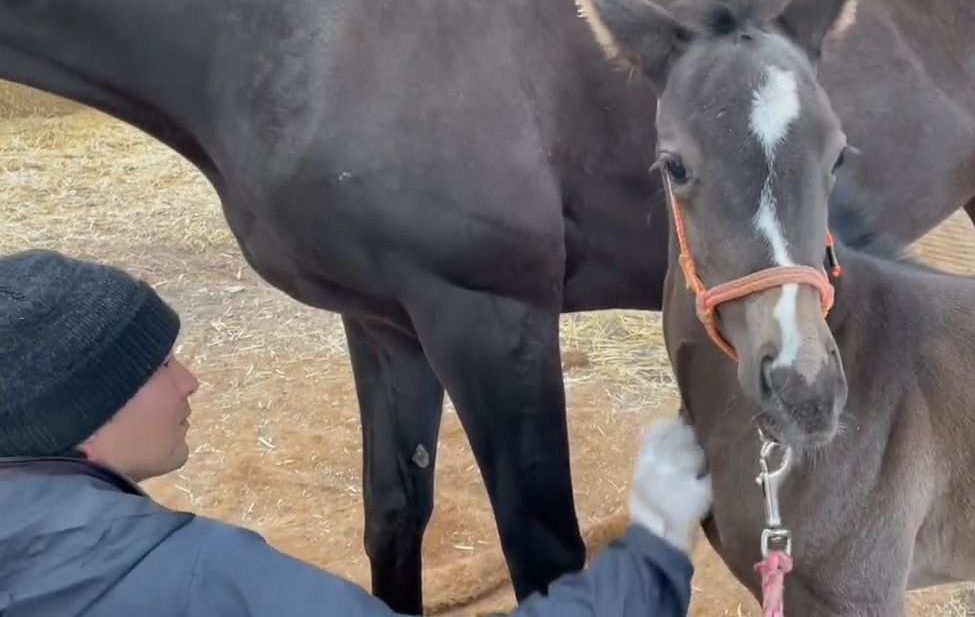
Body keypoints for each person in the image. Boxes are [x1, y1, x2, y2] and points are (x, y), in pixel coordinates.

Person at [0, 248, 713, 616]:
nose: (190, 380)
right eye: (156, 366)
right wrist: (652, 547)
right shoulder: (191, 582)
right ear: (79, 418)